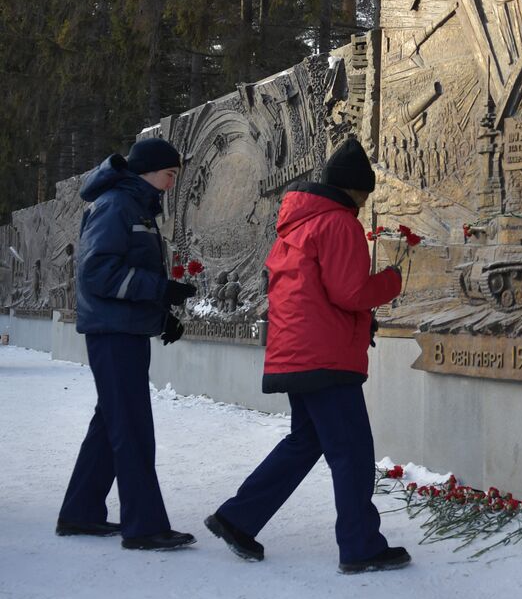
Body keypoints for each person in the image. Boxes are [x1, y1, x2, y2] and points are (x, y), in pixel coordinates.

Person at [204, 137, 409, 574]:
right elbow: (350, 291)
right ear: (355, 189)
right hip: (326, 361)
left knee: (305, 442)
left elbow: (315, 295)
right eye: (366, 193)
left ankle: (237, 519)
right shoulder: (339, 224)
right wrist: (392, 281)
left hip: (297, 356)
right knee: (352, 451)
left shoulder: (296, 225)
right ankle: (360, 547)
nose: (365, 201)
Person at [58, 137, 199, 550]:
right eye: (170, 174)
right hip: (112, 334)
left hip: (123, 330)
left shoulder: (134, 205)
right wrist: (160, 290)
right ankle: (144, 526)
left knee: (111, 423)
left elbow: (124, 271)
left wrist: (163, 311)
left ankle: (80, 512)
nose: (172, 184)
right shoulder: (118, 205)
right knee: (132, 427)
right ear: (149, 170)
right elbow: (97, 274)